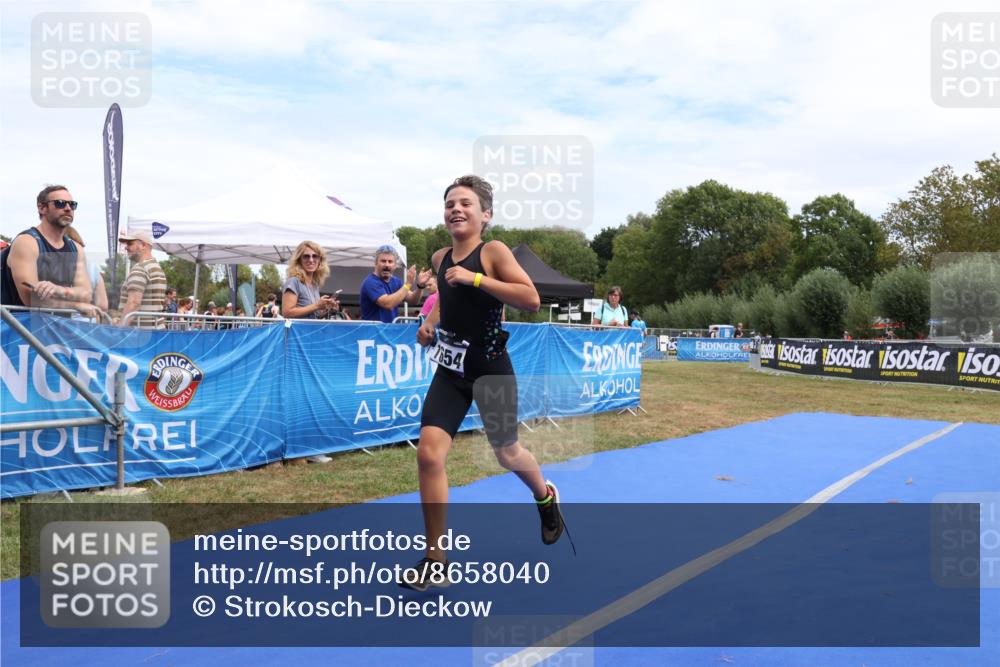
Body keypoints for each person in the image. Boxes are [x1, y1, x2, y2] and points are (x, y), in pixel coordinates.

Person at [399, 175, 564, 592]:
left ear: (485, 215)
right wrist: (427, 324)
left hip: (490, 369)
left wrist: (475, 279)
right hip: (451, 372)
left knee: (507, 453)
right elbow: (447, 303)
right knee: (429, 455)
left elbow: (530, 299)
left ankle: (545, 496)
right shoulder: (439, 259)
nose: (456, 209)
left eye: (466, 204)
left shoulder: (492, 251)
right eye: (450, 203)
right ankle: (436, 559)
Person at [281, 241, 336, 463]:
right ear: (299, 260)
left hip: (309, 346)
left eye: (315, 256)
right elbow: (287, 312)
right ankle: (296, 449)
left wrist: (324, 309)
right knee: (297, 398)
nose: (311, 260)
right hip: (294, 347)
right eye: (306, 257)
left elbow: (310, 316)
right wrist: (315, 306)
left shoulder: (313, 285)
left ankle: (308, 448)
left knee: (309, 397)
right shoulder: (294, 281)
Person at [1, 185, 93, 313]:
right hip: (19, 327)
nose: (68, 208)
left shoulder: (75, 248)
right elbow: (30, 299)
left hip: (56, 327)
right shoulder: (27, 242)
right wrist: (75, 305)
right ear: (42, 208)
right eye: (60, 203)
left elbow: (86, 295)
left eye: (72, 205)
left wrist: (57, 289)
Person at [360, 244, 432, 322]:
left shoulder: (396, 281)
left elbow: (413, 300)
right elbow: (388, 304)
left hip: (389, 331)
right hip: (372, 332)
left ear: (395, 265)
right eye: (383, 261)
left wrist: (420, 286)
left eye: (390, 261)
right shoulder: (371, 282)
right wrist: (408, 284)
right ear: (376, 263)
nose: (387, 265)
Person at [118, 229, 167, 327]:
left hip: (140, 335)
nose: (126, 247)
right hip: (155, 332)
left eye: (130, 244)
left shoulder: (140, 268)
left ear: (143, 245)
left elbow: (134, 303)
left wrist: (120, 328)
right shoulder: (157, 268)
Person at [62, 225, 109, 318]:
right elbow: (103, 305)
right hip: (87, 326)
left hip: (55, 325)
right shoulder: (93, 268)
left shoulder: (51, 265)